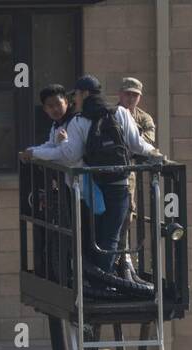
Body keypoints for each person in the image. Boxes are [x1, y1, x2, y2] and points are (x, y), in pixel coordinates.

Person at [21, 74, 160, 273]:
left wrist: (47, 149)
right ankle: (106, 280)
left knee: (93, 236)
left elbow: (70, 156)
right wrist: (154, 153)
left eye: (76, 94)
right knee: (110, 236)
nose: (74, 99)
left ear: (85, 94)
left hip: (94, 186)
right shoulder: (120, 112)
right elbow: (137, 144)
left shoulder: (79, 121)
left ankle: (98, 280)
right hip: (119, 183)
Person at [26, 84, 73, 283]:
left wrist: (34, 153)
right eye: (49, 106)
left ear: (67, 102)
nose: (54, 109)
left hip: (79, 187)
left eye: (57, 104)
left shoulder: (74, 122)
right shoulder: (57, 125)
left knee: (74, 230)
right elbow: (51, 146)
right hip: (66, 186)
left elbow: (64, 154)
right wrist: (30, 151)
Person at [117, 76, 156, 280]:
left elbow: (146, 142)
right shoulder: (111, 114)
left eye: (135, 95)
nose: (131, 98)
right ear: (120, 94)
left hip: (129, 173)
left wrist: (130, 142)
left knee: (126, 215)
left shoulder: (143, 118)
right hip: (110, 172)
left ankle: (125, 261)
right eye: (127, 94)